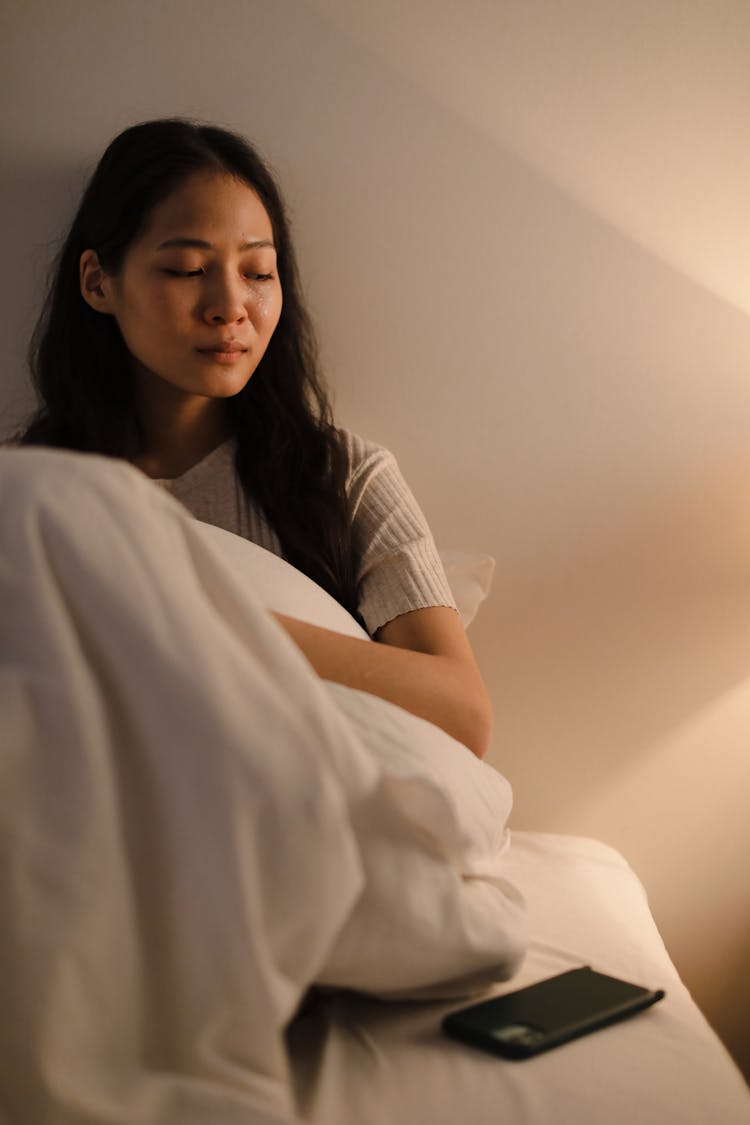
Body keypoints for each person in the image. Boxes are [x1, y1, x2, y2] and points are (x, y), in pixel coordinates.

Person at [16, 117, 492, 758]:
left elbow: (462, 714)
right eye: (187, 269)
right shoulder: (29, 493)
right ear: (99, 282)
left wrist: (201, 624)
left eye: (259, 273)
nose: (230, 305)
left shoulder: (344, 477)